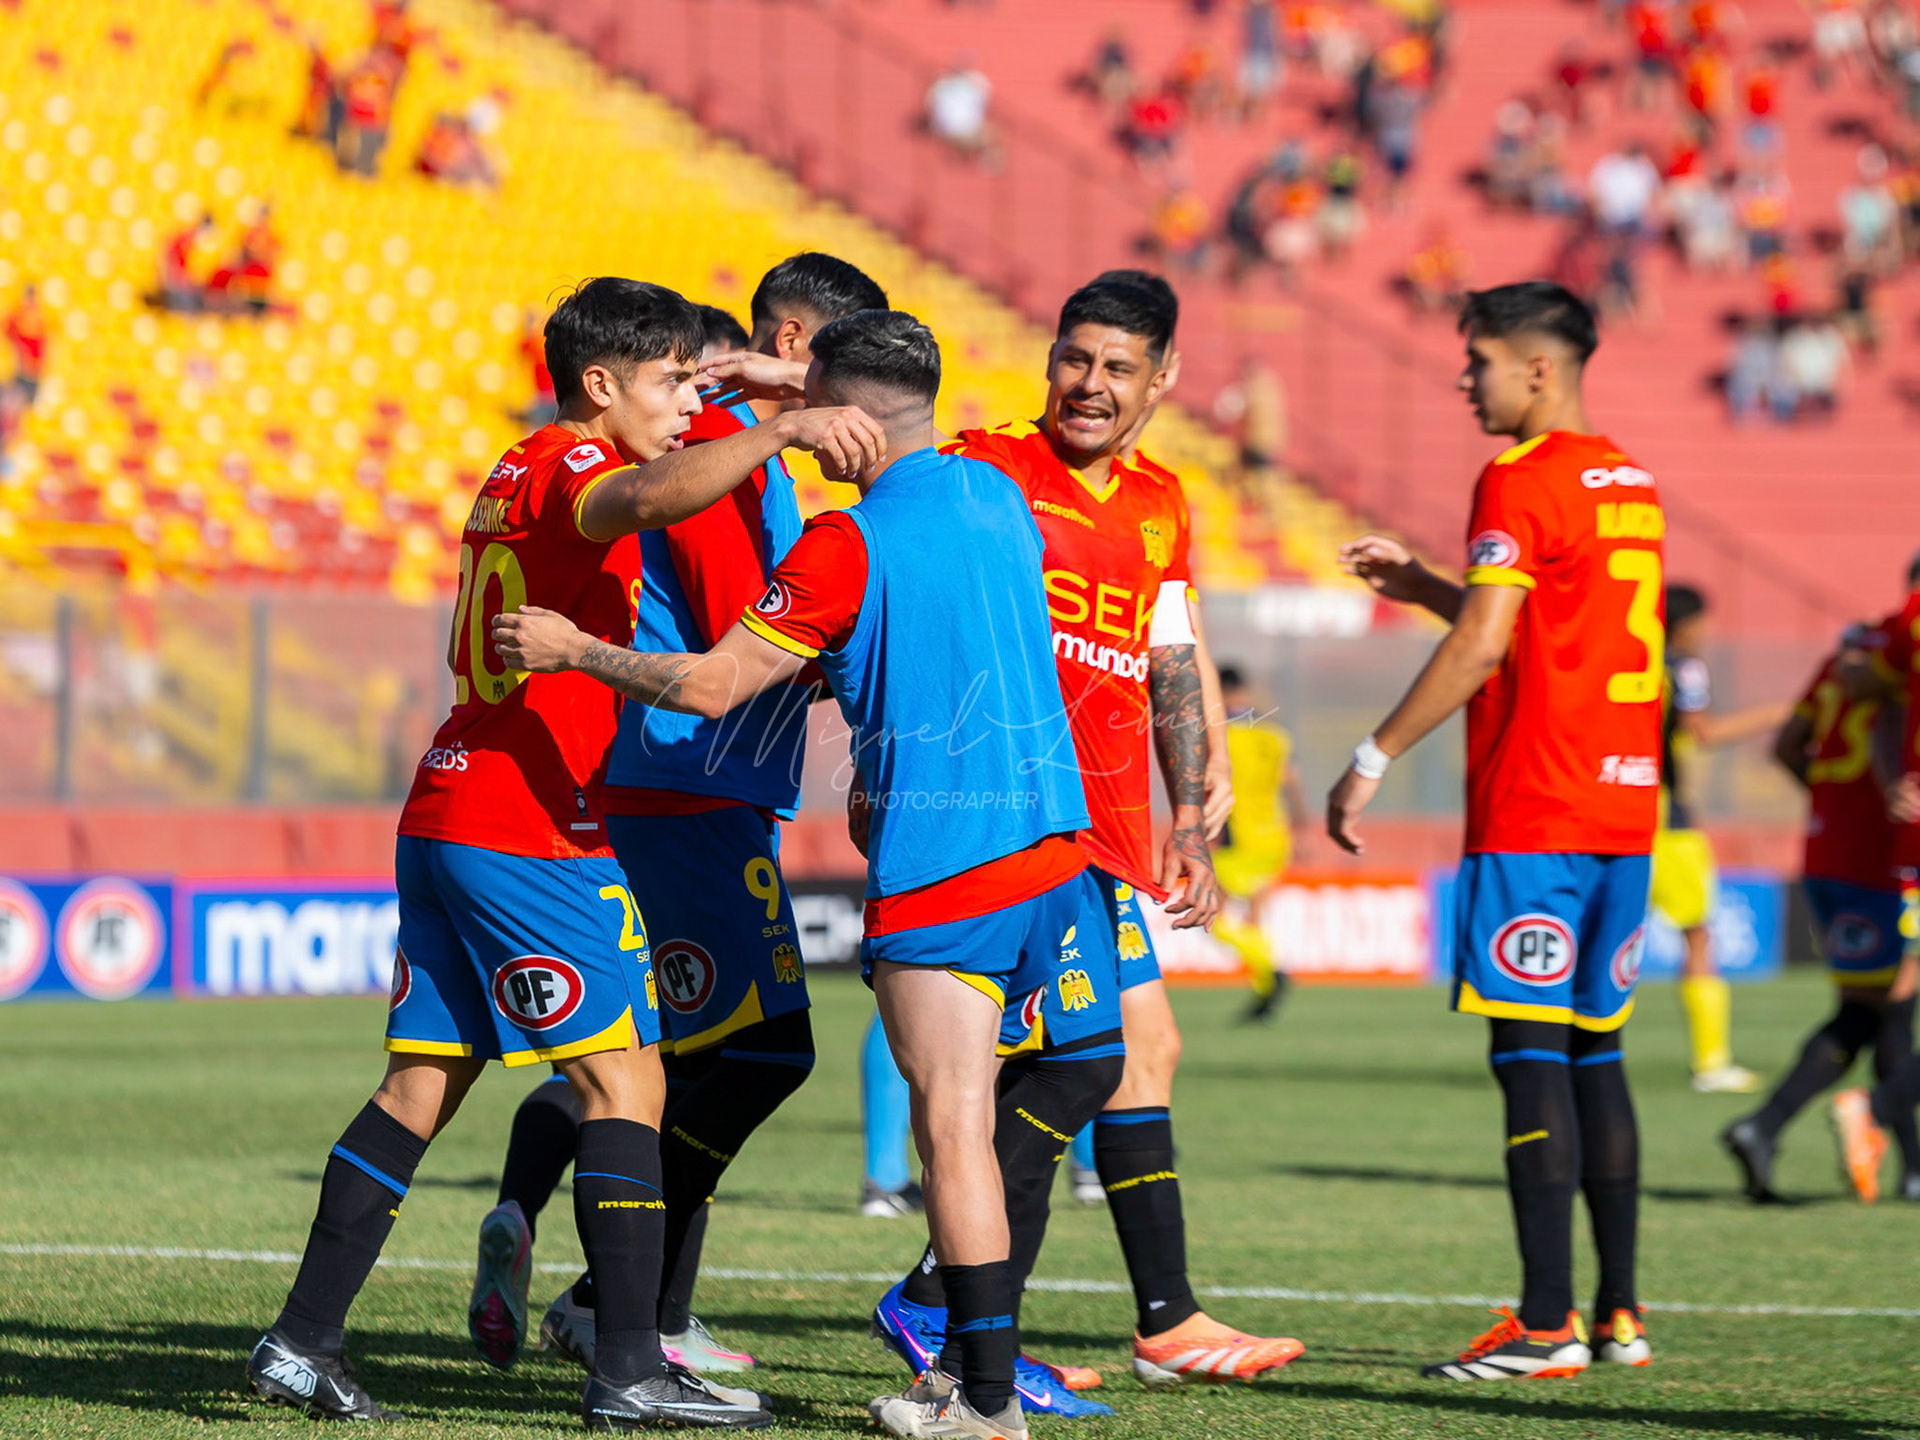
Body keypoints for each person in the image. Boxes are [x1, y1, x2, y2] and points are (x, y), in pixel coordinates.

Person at [243, 277, 841, 1429]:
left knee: (421, 1083)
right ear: (602, 385)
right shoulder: (577, 472)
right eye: (668, 382)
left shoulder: (513, 465)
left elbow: (646, 474)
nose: (683, 403)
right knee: (629, 1080)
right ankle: (628, 1366)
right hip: (527, 821)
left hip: (450, 801)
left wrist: (747, 391)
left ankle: (301, 1340)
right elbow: (654, 497)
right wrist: (777, 428)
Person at [493, 308, 1084, 1440]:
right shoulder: (998, 495)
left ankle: (985, 1406)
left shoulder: (842, 543)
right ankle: (966, 1379)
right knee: (1017, 1104)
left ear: (845, 416)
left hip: (944, 865)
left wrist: (579, 652)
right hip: (1054, 853)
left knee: (952, 1129)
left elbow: (716, 685)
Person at [873, 272, 1304, 1395]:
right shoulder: (981, 467)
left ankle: (1018, 1315)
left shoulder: (1162, 500)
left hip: (1103, 829)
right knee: (1086, 1063)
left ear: (1162, 380)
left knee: (1117, 1056)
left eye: (1118, 367)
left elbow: (1168, 652)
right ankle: (973, 1314)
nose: (1090, 385)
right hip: (1000, 820)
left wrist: (1193, 817)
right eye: (1075, 359)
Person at [472, 255, 889, 1379]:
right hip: (688, 782)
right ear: (791, 344)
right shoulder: (728, 463)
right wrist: (860, 661)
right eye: (833, 350)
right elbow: (735, 636)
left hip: (687, 785)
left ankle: (592, 1260)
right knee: (758, 1053)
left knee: (668, 1053)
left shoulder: (748, 458)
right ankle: (619, 1301)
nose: (851, 381)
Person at [1333, 281, 1659, 1379]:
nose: (1462, 378)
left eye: (1476, 361)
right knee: (1596, 1054)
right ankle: (1617, 1314)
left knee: (1527, 1057)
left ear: (1535, 369)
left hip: (1539, 810)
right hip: (1625, 807)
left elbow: (1484, 652)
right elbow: (1540, 633)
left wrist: (1372, 754)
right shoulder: (1631, 481)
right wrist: (1429, 581)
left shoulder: (1517, 477)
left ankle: (1543, 1325)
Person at [1724, 603, 1920, 1201]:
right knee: (1884, 1009)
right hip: (1876, 864)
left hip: (1825, 858)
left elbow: (1787, 744)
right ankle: (1870, 1118)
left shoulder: (1836, 668)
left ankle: (1906, 1165)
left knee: (1878, 1011)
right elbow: (1885, 725)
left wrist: (1825, 802)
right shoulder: (1895, 673)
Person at [1654, 584, 1788, 1093]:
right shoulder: (1683, 666)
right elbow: (1701, 733)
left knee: (1596, 935)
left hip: (1610, 809)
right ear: (1687, 625)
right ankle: (1711, 1063)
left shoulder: (1629, 658)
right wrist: (1774, 715)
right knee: (1698, 935)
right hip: (1667, 820)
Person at [1830, 557, 1920, 1203]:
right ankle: (1879, 1104)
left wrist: (1894, 778)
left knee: (1902, 986)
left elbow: (1867, 690)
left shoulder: (1905, 624)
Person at [1212, 665, 1306, 1021]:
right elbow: (1292, 784)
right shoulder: (1274, 735)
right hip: (1274, 837)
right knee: (1253, 918)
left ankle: (1272, 970)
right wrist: (1302, 829)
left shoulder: (1218, 735)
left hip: (1238, 839)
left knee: (1213, 918)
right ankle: (1265, 989)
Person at [4, 285, 47, 407]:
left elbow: (46, 344)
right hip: (20, 368)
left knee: (30, 403)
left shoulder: (42, 317)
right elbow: (9, 337)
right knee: (17, 402)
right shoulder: (16, 316)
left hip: (35, 370)